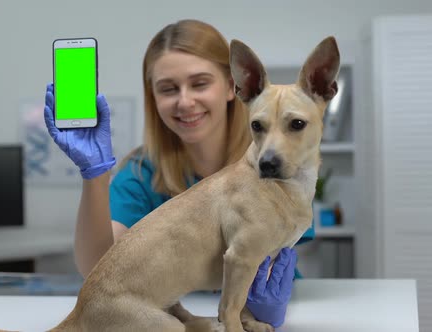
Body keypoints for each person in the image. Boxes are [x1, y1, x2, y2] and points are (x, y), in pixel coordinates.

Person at [44, 19, 314, 328]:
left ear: (233, 85)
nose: (185, 101)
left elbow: (273, 255)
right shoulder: (141, 174)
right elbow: (103, 273)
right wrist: (93, 173)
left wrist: (256, 307)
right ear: (153, 97)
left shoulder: (281, 168)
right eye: (168, 89)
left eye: (199, 83)